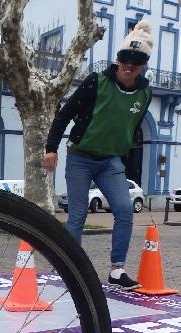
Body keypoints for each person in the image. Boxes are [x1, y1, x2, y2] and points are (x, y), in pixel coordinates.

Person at [43, 20, 154, 290]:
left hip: (110, 161)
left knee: (125, 210)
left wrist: (123, 157)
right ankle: (71, 269)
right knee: (78, 214)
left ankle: (117, 270)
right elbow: (65, 114)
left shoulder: (145, 94)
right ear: (117, 59)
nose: (129, 65)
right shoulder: (97, 82)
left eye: (136, 61)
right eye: (125, 58)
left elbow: (132, 127)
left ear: (143, 65)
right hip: (80, 156)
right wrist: (51, 148)